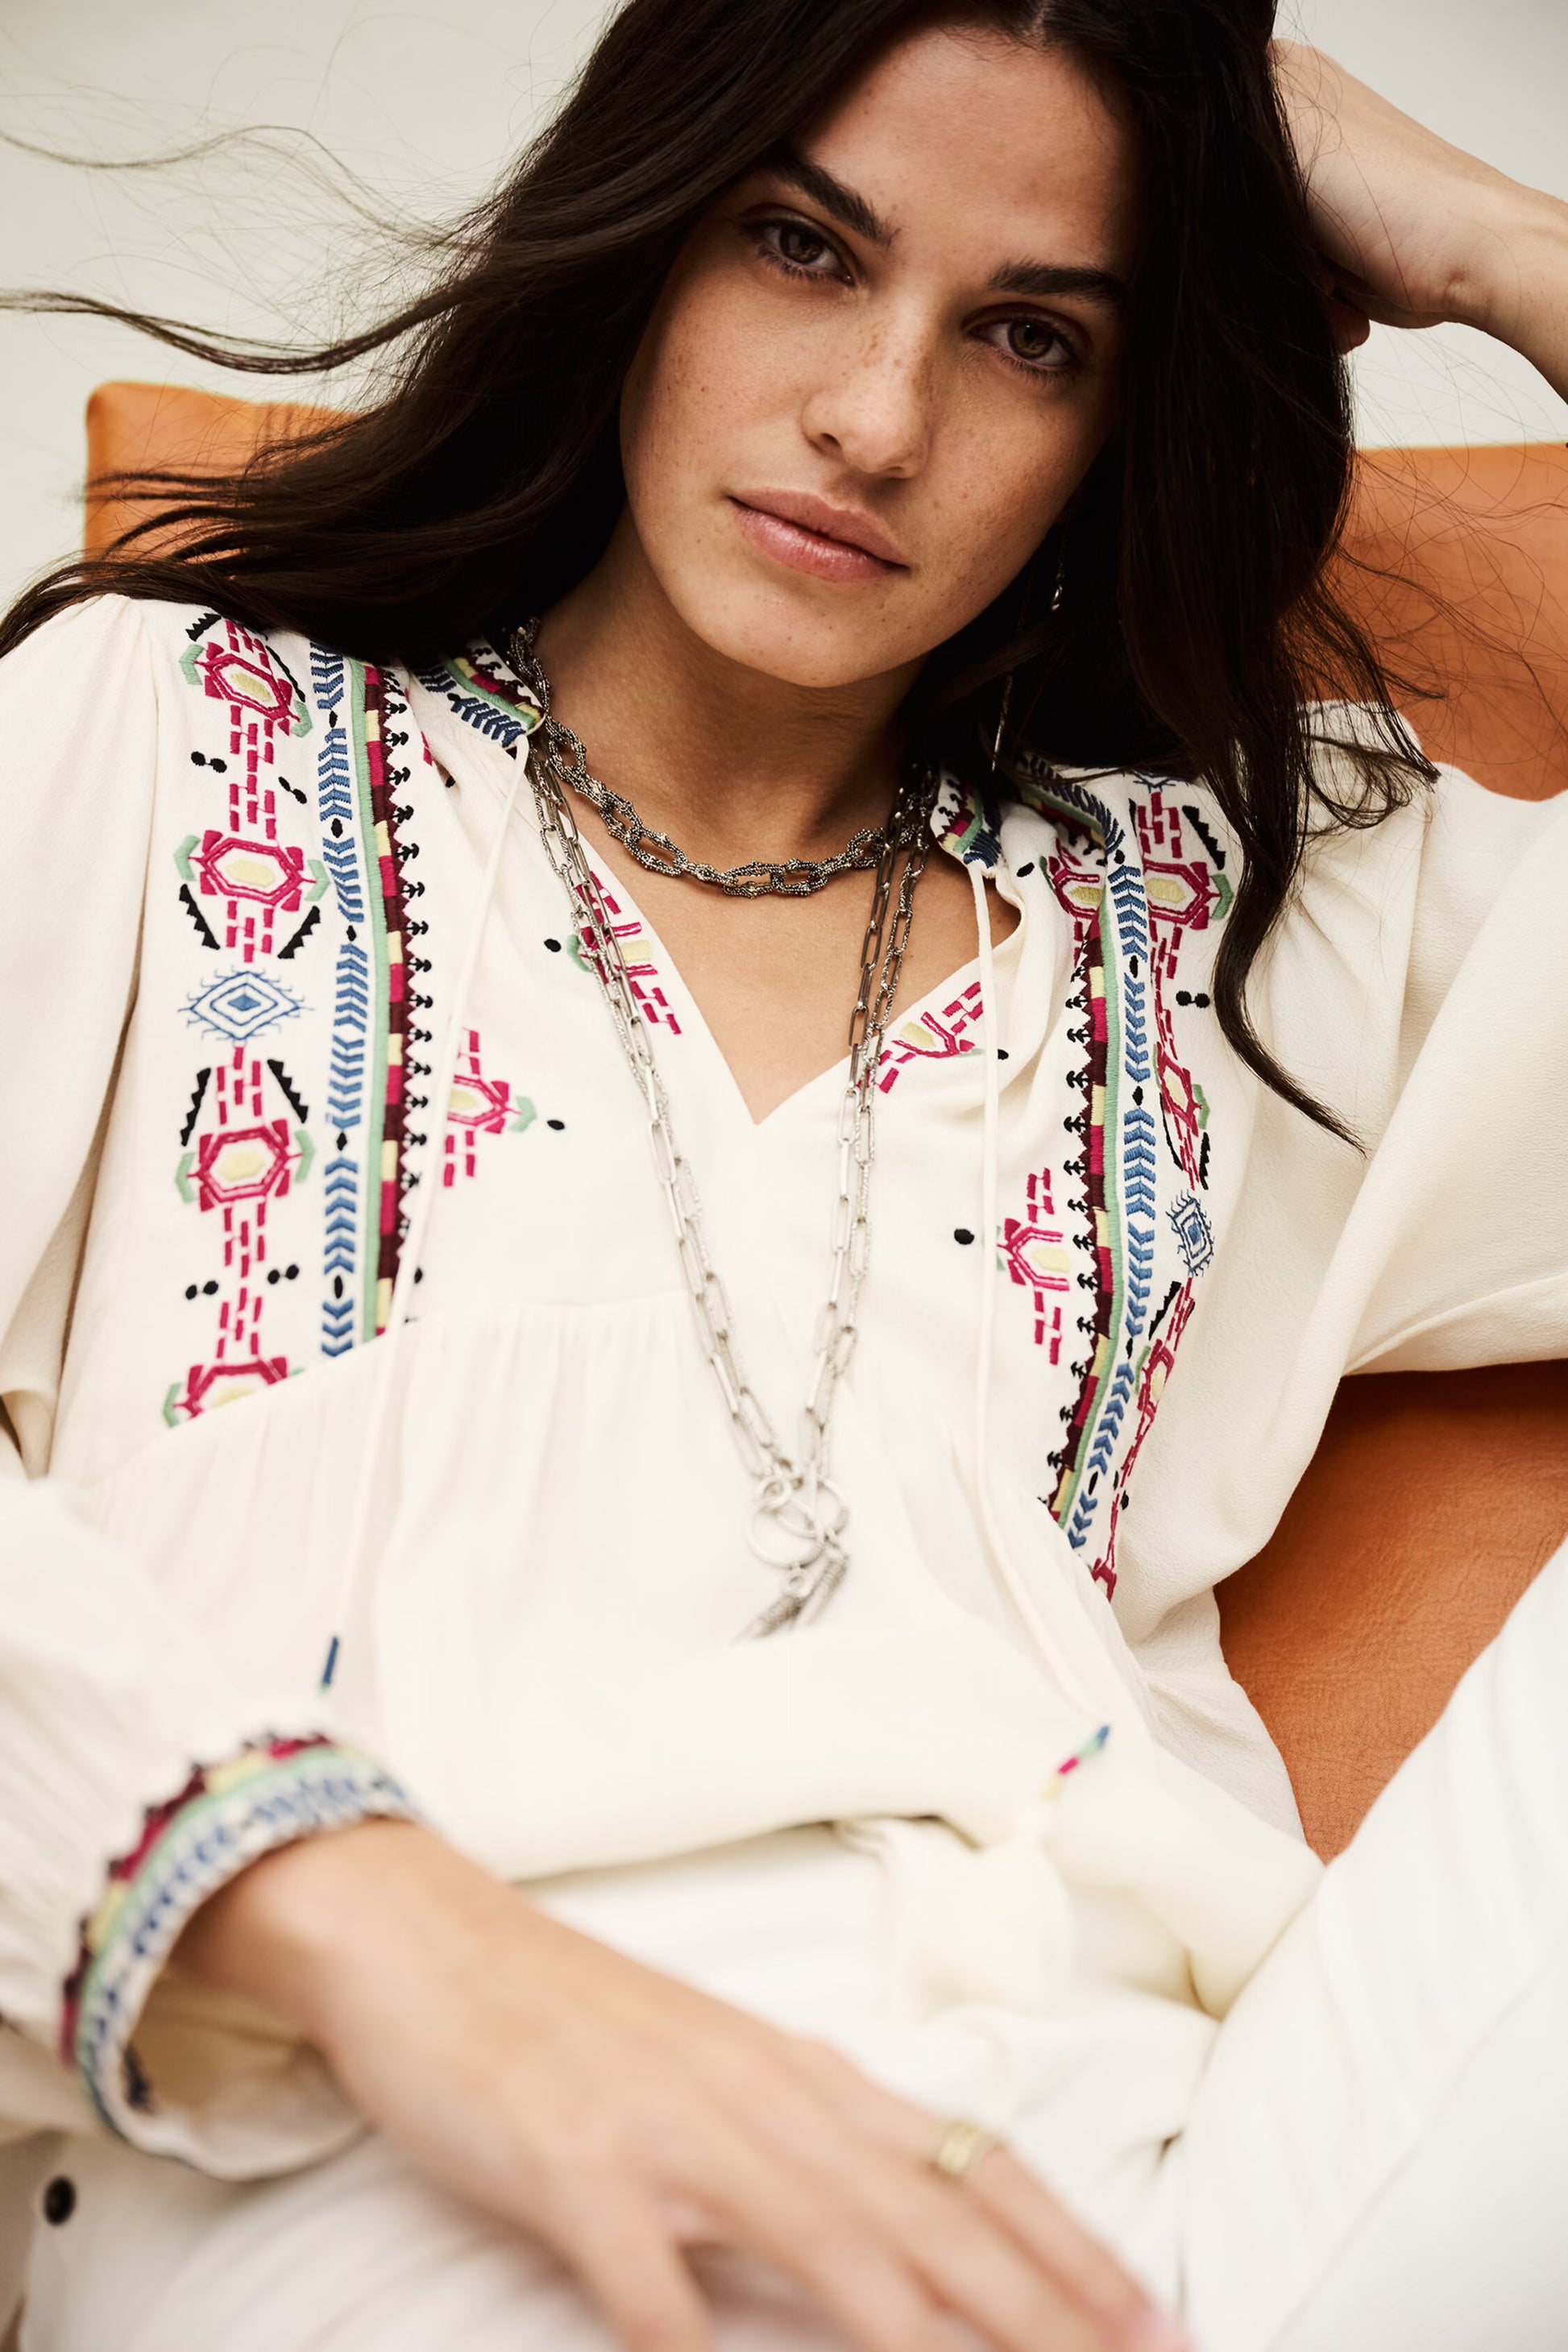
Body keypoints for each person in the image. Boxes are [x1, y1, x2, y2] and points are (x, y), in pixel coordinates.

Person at [0, 1, 1564, 2345]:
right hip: (408, 2171)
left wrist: (1473, 232)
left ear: (1117, 424)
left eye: (1031, 334)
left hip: (1189, 2232)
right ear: (637, 244)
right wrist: (347, 1917)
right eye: (801, 247)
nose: (877, 418)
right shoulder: (160, 729)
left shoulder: (1241, 915)